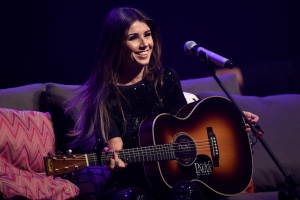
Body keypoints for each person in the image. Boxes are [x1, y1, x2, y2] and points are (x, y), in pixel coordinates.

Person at [65, 6, 259, 200]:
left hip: (175, 179)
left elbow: (191, 125)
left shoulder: (166, 79)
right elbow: (114, 147)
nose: (144, 44)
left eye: (147, 35)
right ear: (116, 46)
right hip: (133, 184)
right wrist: (114, 160)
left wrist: (235, 122)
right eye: (133, 38)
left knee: (187, 191)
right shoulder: (106, 96)